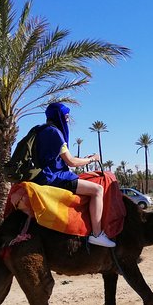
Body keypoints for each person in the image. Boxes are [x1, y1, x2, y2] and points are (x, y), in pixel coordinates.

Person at [32, 102, 116, 247]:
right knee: (98, 190)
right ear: (59, 116)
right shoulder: (55, 133)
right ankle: (97, 234)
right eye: (66, 116)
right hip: (55, 177)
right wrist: (92, 159)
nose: (68, 119)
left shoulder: (40, 130)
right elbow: (71, 162)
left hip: (42, 175)